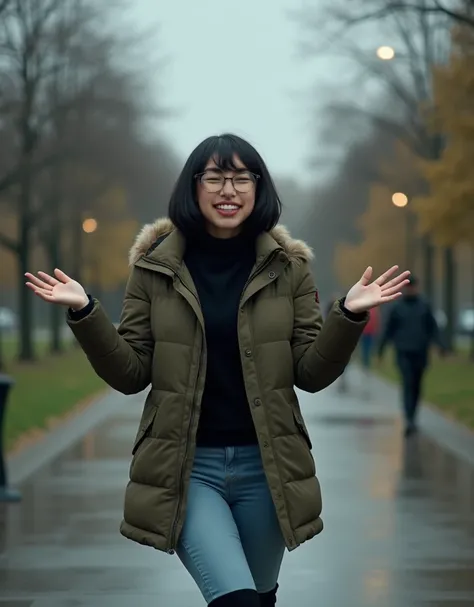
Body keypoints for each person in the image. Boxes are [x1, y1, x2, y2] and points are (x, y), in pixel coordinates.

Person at [25, 133, 409, 607]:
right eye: (215, 177)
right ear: (193, 186)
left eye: (241, 178)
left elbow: (309, 372)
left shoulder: (289, 269)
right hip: (187, 468)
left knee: (260, 598)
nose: (228, 190)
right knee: (236, 601)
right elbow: (129, 374)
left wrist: (348, 315)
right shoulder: (154, 268)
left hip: (268, 469)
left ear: (258, 187)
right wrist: (86, 313)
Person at [378, 276, 444, 438]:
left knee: (416, 384)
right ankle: (409, 419)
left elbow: (432, 327)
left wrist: (441, 345)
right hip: (403, 351)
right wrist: (381, 348)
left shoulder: (424, 305)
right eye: (408, 287)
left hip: (420, 351)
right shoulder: (397, 307)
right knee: (407, 382)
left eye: (412, 287)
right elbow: (388, 328)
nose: (410, 290)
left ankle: (413, 415)